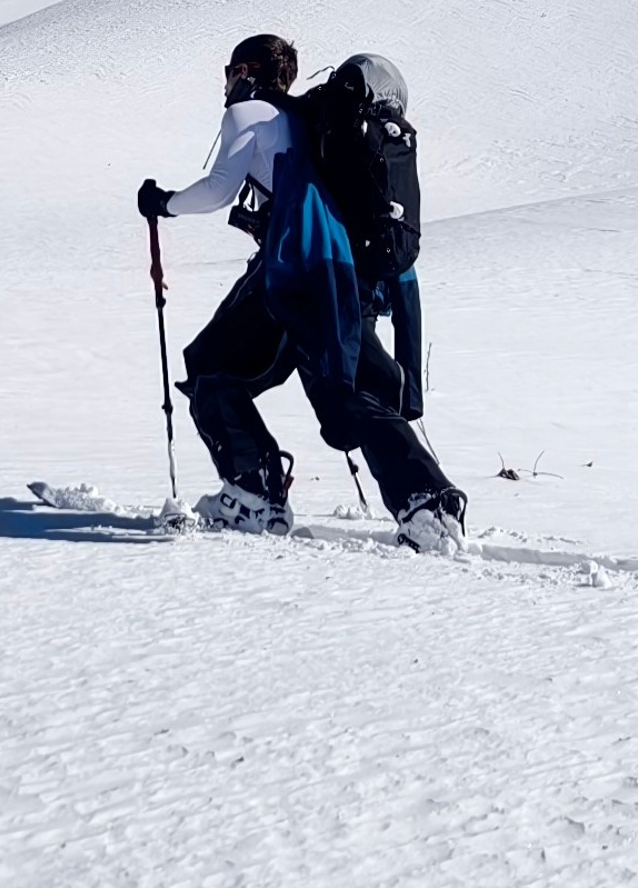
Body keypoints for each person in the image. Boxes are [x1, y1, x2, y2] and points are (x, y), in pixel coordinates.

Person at [139, 32, 469, 554]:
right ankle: (427, 504)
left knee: (211, 367)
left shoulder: (249, 114)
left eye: (228, 71)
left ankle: (256, 492)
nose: (225, 83)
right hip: (343, 274)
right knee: (348, 388)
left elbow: (218, 188)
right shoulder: (306, 119)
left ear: (245, 71)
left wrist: (162, 203)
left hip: (297, 271)